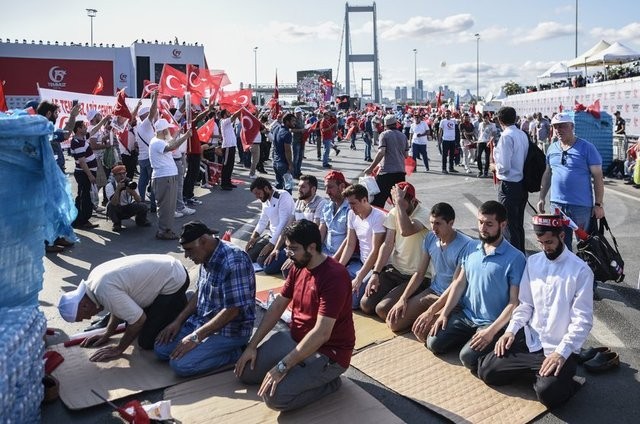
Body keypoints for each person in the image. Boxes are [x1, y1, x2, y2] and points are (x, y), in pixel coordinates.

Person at [235, 220, 355, 411]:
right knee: (245, 373)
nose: (288, 253)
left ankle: (330, 383)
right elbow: (277, 306)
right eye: (287, 248)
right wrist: (252, 346)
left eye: (293, 249)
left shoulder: (335, 276)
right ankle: (300, 369)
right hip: (296, 338)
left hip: (328, 352)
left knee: (274, 398)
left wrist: (282, 366)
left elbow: (322, 333)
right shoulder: (298, 265)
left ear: (312, 247)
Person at [478, 214, 594, 408]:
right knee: (487, 371)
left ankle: (564, 379)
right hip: (531, 341)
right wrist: (511, 331)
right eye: (540, 243)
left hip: (558, 348)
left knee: (548, 394)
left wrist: (561, 353)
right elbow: (525, 305)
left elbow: (582, 321)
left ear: (562, 237)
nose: (544, 247)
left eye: (549, 242)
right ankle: (538, 373)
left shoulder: (581, 271)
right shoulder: (533, 262)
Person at [427, 201, 526, 373]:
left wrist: (491, 331)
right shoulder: (471, 246)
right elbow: (458, 283)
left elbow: (514, 302)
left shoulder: (516, 258)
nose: (483, 228)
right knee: (433, 343)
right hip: (466, 316)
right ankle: (469, 339)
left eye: (489, 224)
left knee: (467, 358)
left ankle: (494, 341)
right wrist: (444, 313)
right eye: (480, 222)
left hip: (491, 322)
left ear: (502, 225)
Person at [154, 221, 255, 377]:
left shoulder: (234, 261)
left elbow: (233, 310)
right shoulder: (205, 256)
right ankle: (204, 347)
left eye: (189, 250)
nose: (187, 255)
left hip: (229, 331)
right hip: (202, 322)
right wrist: (178, 321)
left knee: (180, 365)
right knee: (160, 348)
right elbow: (200, 292)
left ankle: (235, 353)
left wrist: (196, 337)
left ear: (203, 241)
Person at [57, 254, 190, 362]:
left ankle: (187, 306)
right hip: (166, 269)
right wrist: (107, 333)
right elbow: (118, 308)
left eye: (84, 316)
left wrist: (119, 348)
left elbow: (138, 320)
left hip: (175, 279)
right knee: (132, 329)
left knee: (146, 342)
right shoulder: (94, 283)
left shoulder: (104, 291)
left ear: (84, 305)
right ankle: (177, 305)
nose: (89, 318)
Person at [386, 202, 472, 335]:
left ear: (451, 223)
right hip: (433, 291)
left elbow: (456, 284)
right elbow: (420, 273)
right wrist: (403, 298)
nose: (433, 228)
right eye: (431, 223)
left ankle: (448, 319)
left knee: (424, 334)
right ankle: (423, 318)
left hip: (453, 297)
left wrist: (431, 311)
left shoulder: (466, 245)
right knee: (394, 322)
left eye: (438, 223)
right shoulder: (430, 238)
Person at [359, 182, 429, 318]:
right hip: (396, 271)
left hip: (416, 276)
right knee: (365, 305)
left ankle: (415, 303)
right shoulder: (394, 211)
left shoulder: (424, 214)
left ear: (413, 201)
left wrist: (399, 206)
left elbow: (406, 231)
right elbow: (388, 244)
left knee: (383, 310)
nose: (395, 206)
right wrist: (376, 273)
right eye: (394, 202)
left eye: (399, 202)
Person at [537, 112, 605, 251]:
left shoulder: (587, 148)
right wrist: (542, 197)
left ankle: (586, 272)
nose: (558, 130)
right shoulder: (552, 148)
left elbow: (598, 176)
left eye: (562, 126)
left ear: (572, 126)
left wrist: (598, 204)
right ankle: (565, 272)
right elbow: (548, 173)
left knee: (586, 246)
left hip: (581, 206)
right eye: (556, 127)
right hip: (557, 206)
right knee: (561, 246)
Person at [264, 175, 326, 274]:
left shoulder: (321, 203)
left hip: (305, 248)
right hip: (292, 245)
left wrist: (295, 257)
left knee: (287, 271)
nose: (299, 190)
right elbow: (288, 228)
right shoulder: (298, 202)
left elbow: (315, 234)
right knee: (267, 266)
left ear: (313, 189)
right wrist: (276, 249)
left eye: (303, 187)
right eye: (299, 186)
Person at [338, 184, 386, 309]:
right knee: (332, 281)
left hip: (375, 267)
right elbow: (350, 244)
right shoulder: (351, 214)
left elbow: (376, 251)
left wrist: (359, 278)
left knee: (352, 302)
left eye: (353, 203)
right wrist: (338, 268)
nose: (350, 207)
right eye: (349, 203)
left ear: (364, 200)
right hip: (359, 263)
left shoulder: (378, 217)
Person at [492, 106, 529, 253]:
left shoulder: (506, 136)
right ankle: (520, 253)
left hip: (509, 183)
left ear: (500, 120)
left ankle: (513, 256)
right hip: (521, 183)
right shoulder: (522, 134)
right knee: (517, 224)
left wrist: (494, 166)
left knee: (508, 224)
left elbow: (504, 167)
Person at [148, 118, 192, 240]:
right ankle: (163, 231)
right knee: (165, 206)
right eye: (167, 129)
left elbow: (171, 142)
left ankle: (166, 229)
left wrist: (179, 133)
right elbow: (171, 146)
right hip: (164, 177)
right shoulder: (157, 142)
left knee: (170, 206)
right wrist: (186, 136)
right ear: (162, 130)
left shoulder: (160, 140)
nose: (168, 131)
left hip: (167, 176)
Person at [245, 177, 295, 273]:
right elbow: (263, 220)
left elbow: (283, 223)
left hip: (283, 238)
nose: (257, 197)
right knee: (249, 255)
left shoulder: (283, 196)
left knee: (266, 266)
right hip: (271, 235)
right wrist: (253, 237)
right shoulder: (265, 199)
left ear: (266, 189)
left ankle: (284, 257)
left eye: (258, 193)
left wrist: (271, 244)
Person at [364, 114, 409, 208]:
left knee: (378, 202)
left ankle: (377, 222)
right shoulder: (403, 136)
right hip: (400, 172)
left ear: (385, 125)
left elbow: (381, 152)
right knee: (398, 203)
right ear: (396, 124)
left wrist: (371, 168)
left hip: (386, 173)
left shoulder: (384, 135)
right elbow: (406, 155)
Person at [69, 120, 100, 230]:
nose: (86, 128)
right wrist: (90, 175)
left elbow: (94, 130)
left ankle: (82, 219)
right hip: (83, 174)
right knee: (84, 197)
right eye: (84, 127)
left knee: (85, 196)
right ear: (78, 129)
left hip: (87, 173)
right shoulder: (77, 142)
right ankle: (81, 220)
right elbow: (82, 162)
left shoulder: (82, 138)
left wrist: (104, 120)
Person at [105, 165, 150, 232]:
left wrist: (133, 192)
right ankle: (117, 223)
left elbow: (139, 200)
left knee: (143, 206)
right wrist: (118, 190)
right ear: (114, 176)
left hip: (128, 207)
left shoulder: (131, 183)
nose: (122, 176)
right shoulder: (110, 186)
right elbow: (114, 203)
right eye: (119, 174)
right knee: (110, 205)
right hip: (118, 208)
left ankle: (141, 221)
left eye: (124, 173)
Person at [135, 91, 159, 211]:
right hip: (149, 158)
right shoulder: (145, 124)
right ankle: (154, 206)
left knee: (143, 182)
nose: (153, 116)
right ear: (145, 115)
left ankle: (141, 203)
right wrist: (155, 98)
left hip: (142, 158)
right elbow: (153, 112)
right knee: (153, 182)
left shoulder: (139, 126)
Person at [318, 171, 350, 257]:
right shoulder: (327, 207)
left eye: (330, 187)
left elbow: (349, 239)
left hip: (343, 255)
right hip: (326, 251)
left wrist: (334, 260)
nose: (327, 192)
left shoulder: (350, 208)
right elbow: (321, 231)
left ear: (342, 186)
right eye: (325, 187)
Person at [272, 113, 296, 190]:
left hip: (275, 161)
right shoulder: (287, 133)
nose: (294, 123)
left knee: (278, 186)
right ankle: (286, 202)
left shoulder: (276, 128)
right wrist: (290, 164)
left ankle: (277, 201)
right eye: (293, 121)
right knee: (288, 187)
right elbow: (287, 150)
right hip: (283, 163)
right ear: (287, 122)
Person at [219, 109, 241, 191]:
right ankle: (224, 184)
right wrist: (241, 108)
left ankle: (228, 182)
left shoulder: (228, 123)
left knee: (230, 166)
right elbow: (234, 116)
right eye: (228, 112)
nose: (230, 113)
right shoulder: (224, 121)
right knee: (226, 166)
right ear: (224, 114)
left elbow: (234, 118)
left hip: (231, 146)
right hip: (227, 146)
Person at [477, 114, 496, 178]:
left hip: (488, 142)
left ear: (489, 118)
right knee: (478, 156)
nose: (485, 119)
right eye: (484, 118)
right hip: (480, 141)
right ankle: (480, 170)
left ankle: (485, 171)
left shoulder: (492, 125)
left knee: (487, 157)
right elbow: (479, 133)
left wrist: (490, 141)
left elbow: (493, 134)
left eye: (487, 118)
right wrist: (477, 140)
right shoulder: (480, 124)